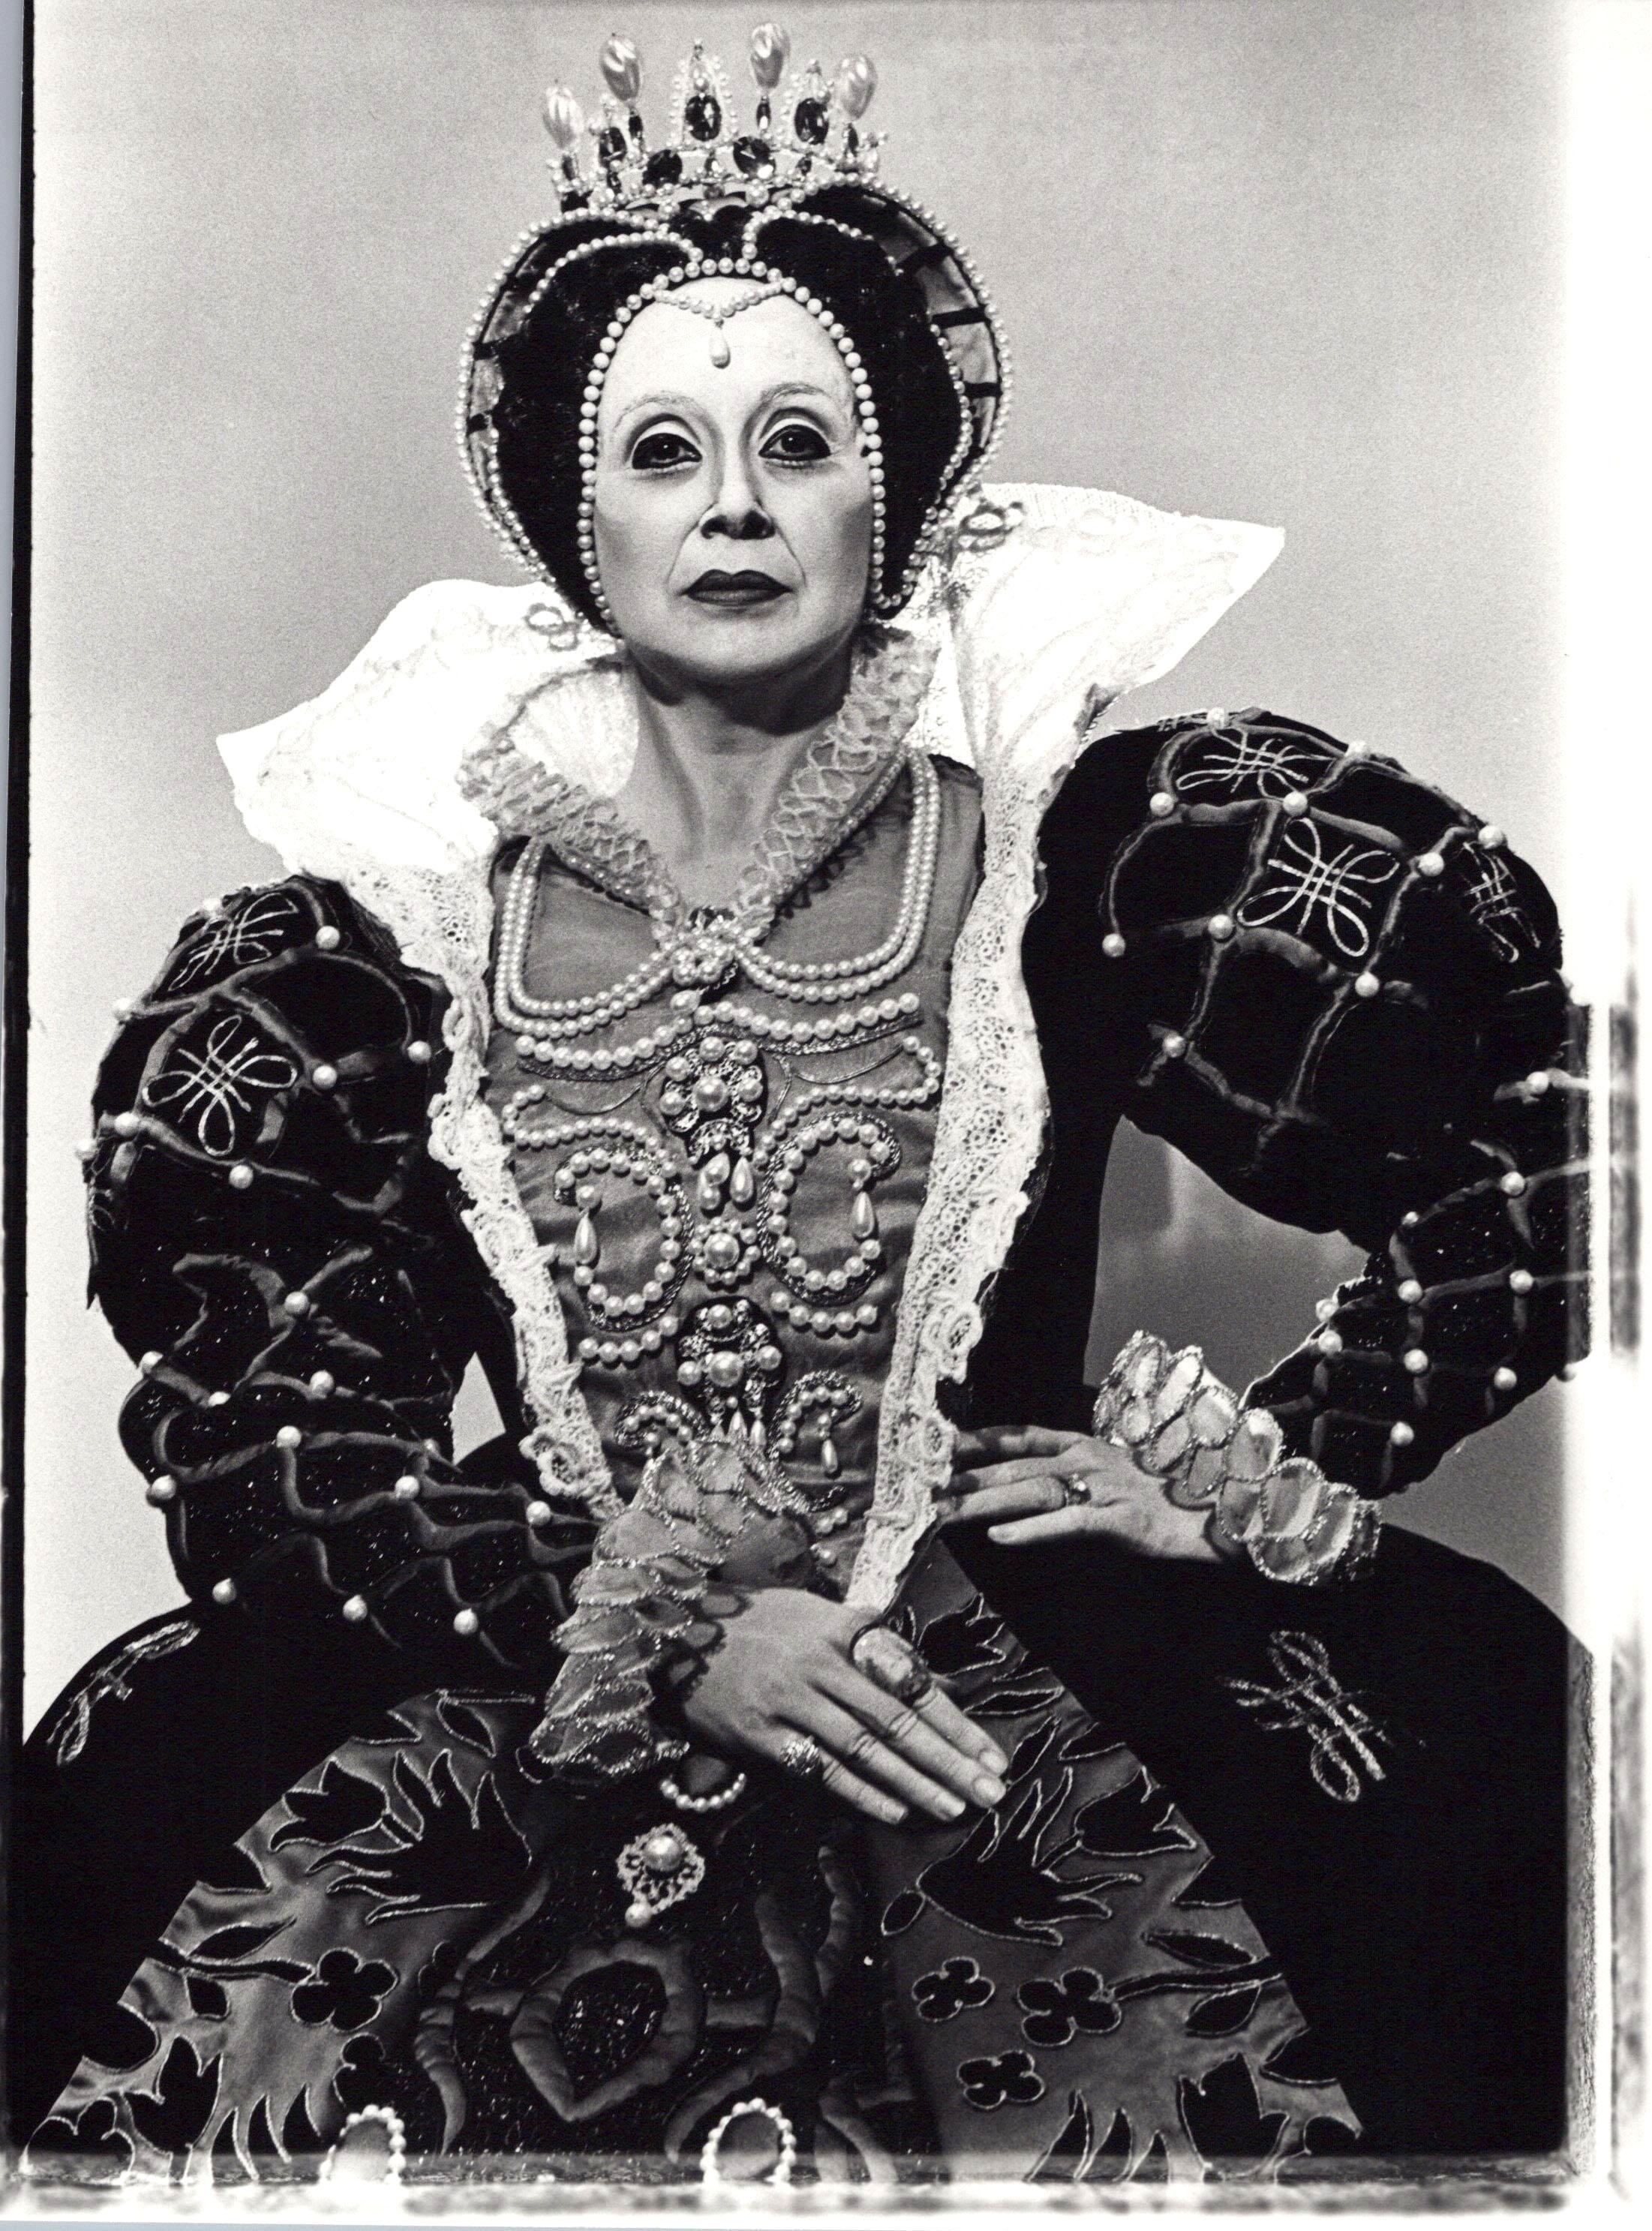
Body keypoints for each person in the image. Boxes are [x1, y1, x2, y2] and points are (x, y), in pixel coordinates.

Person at [14, 26, 1586, 2190]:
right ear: (581, 515)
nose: (733, 505)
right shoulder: (368, 956)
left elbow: (1561, 1122)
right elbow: (284, 1462)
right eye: (665, 450)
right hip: (532, 1656)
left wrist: (1280, 1453)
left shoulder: (1081, 860)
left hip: (1023, 1646)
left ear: (899, 490)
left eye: (797, 440)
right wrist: (643, 1622)